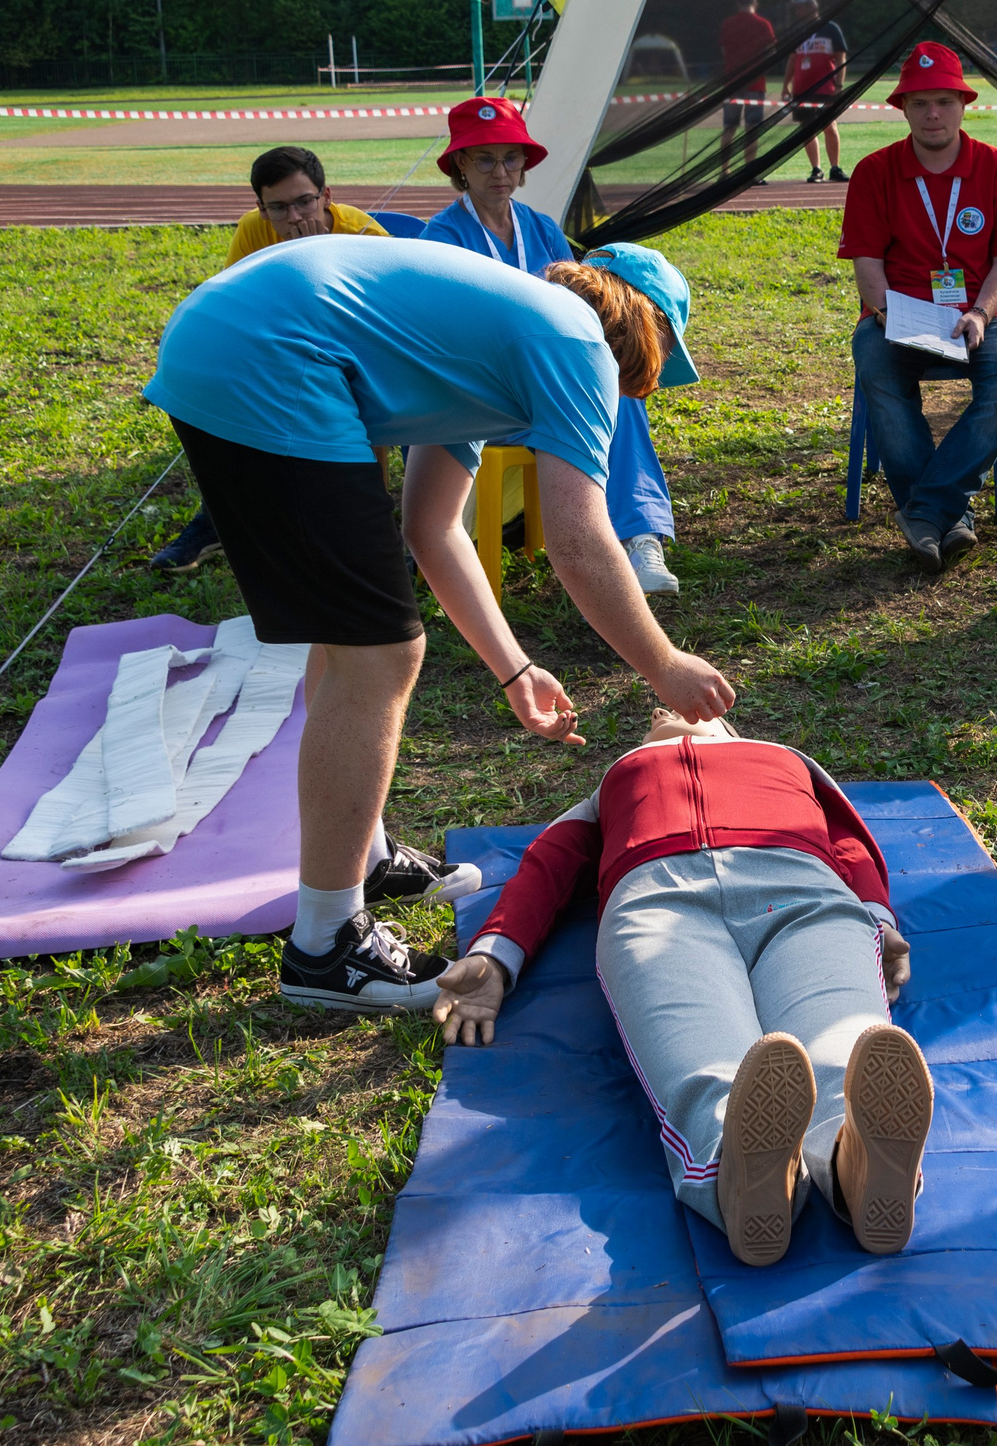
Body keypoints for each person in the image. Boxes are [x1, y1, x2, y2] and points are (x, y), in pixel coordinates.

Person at [143, 237, 737, 1014]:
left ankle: (363, 854)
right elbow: (580, 539)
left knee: (350, 635)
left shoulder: (498, 345)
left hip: (227, 332)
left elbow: (432, 528)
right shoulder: (578, 342)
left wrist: (515, 669)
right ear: (644, 335)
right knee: (379, 652)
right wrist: (664, 662)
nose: (629, 400)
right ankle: (326, 946)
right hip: (271, 351)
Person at [431, 709, 931, 1268]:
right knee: (705, 1061)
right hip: (656, 901)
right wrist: (495, 954)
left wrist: (876, 917)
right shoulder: (612, 783)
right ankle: (742, 1174)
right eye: (655, 713)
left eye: (676, 706)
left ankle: (854, 1157)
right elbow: (549, 864)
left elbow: (849, 842)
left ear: (730, 727)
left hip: (801, 885)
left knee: (846, 1041)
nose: (660, 709)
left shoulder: (787, 759)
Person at [422, 96, 699, 598]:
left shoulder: (542, 228)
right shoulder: (441, 237)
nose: (500, 172)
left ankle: (640, 540)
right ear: (459, 163)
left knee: (617, 387)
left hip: (549, 378)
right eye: (484, 160)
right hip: (482, 394)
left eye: (511, 158)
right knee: (601, 393)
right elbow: (444, 335)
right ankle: (608, 541)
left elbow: (582, 312)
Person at [149, 146, 394, 573]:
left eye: (304, 202)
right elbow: (236, 309)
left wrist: (316, 257)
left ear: (326, 196)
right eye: (278, 208)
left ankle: (372, 525)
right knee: (220, 385)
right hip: (282, 351)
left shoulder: (365, 237)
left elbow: (378, 328)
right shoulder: (253, 230)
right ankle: (217, 519)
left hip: (359, 357)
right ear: (262, 210)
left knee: (355, 407)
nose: (294, 217)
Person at [839, 42, 997, 573]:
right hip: (898, 313)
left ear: (963, 105)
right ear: (903, 108)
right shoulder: (874, 172)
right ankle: (948, 514)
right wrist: (887, 311)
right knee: (877, 364)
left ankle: (926, 512)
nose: (933, 114)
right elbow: (866, 262)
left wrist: (980, 313)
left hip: (984, 313)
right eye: (920, 103)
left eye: (944, 101)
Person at [787, 0, 850, 184]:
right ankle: (816, 169)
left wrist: (839, 84)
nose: (797, 11)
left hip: (825, 88)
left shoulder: (830, 29)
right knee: (807, 129)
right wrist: (785, 85)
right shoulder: (798, 31)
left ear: (811, 8)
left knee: (829, 126)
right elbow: (792, 59)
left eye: (800, 7)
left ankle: (835, 168)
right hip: (801, 89)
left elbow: (840, 57)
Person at [719, 0, 779, 177]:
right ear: (756, 4)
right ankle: (749, 170)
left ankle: (724, 170)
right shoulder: (763, 24)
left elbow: (723, 50)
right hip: (755, 82)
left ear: (739, 4)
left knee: (729, 127)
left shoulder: (728, 23)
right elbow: (772, 51)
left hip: (732, 82)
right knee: (752, 128)